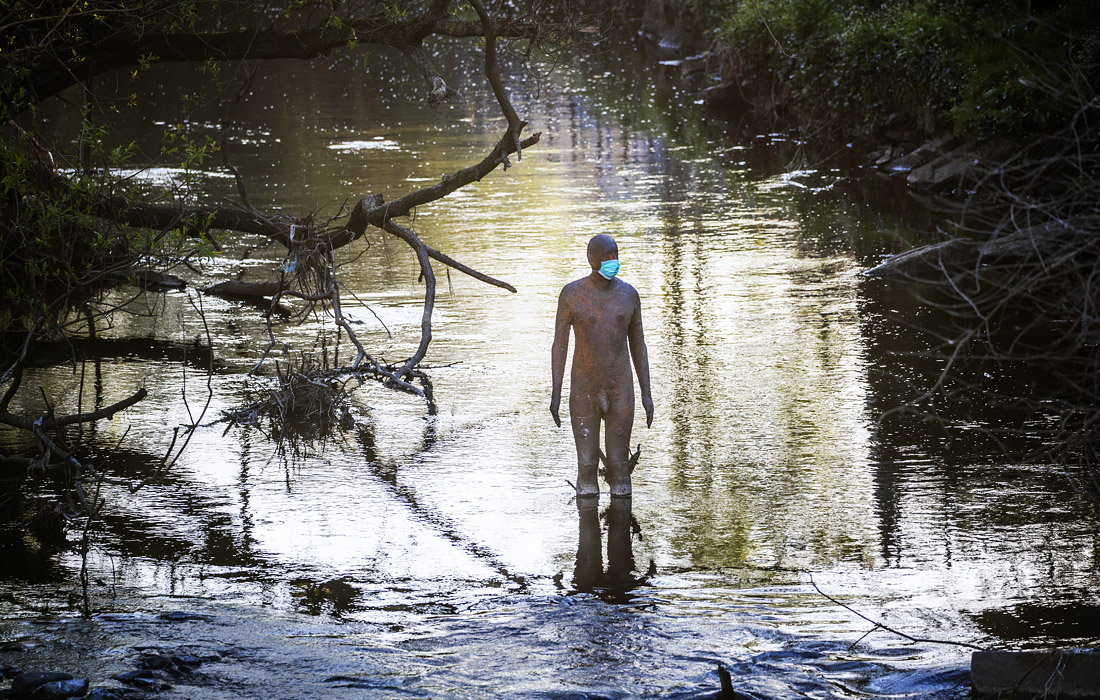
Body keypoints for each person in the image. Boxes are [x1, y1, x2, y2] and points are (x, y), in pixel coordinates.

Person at [550, 234, 653, 497]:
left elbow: (638, 345)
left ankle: (622, 517)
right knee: (586, 469)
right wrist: (556, 393)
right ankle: (587, 514)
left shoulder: (628, 295)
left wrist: (647, 394)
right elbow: (560, 345)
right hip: (584, 391)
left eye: (615, 255)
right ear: (592, 259)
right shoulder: (572, 294)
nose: (613, 261)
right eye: (607, 256)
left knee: (620, 471)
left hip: (621, 391)